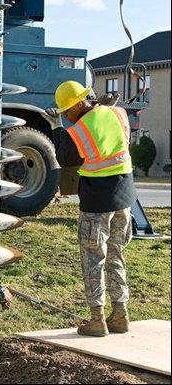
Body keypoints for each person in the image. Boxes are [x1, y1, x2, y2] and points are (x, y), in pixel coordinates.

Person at [41, 81, 137, 337]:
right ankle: (120, 315)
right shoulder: (117, 112)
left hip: (97, 200)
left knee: (93, 259)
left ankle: (97, 320)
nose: (64, 116)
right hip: (124, 197)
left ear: (77, 104)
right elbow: (106, 118)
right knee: (116, 255)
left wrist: (57, 129)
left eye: (65, 111)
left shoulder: (80, 130)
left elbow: (66, 158)